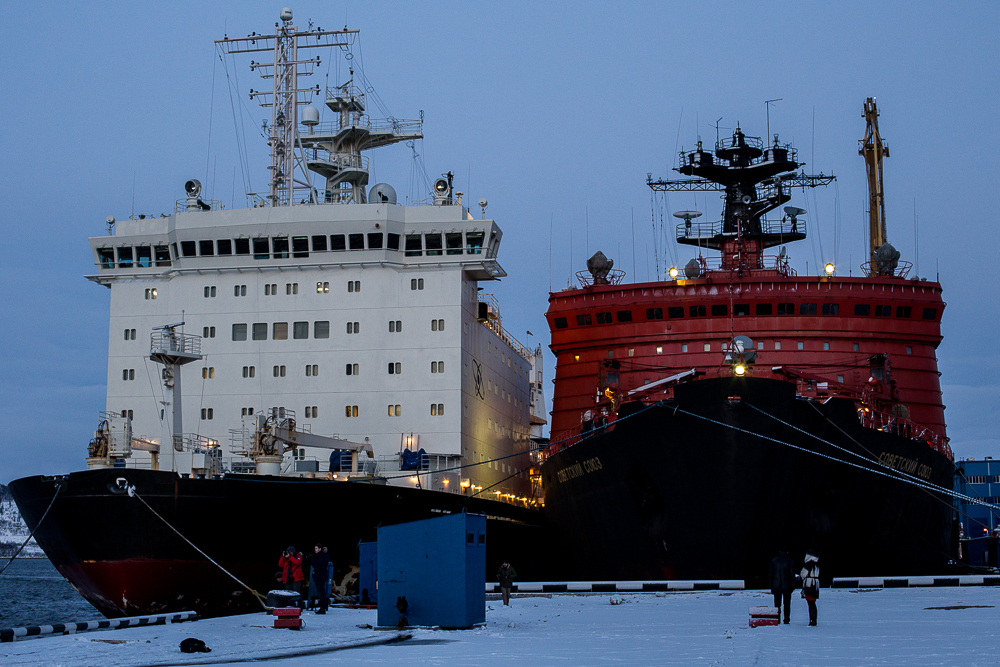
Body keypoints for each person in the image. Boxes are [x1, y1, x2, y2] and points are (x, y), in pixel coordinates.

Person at [768, 549, 795, 624]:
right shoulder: (790, 561)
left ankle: (777, 618)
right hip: (787, 586)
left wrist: (772, 585)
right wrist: (792, 586)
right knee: (787, 604)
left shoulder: (774, 561)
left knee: (777, 604)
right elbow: (792, 575)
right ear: (787, 552)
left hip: (776, 586)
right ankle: (786, 619)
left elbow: (770, 574)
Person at [800, 550, 820, 626]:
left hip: (809, 584)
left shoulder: (808, 565)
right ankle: (813, 620)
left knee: (810, 603)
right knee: (813, 603)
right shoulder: (816, 565)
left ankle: (812, 621)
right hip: (815, 585)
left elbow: (803, 574)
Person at [311, 543, 330, 614]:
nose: (315, 550)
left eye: (316, 548)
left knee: (321, 593)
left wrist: (314, 561)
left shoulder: (323, 556)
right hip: (318, 576)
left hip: (320, 576)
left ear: (320, 549)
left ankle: (323, 608)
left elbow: (321, 564)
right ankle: (322, 607)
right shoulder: (318, 556)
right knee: (320, 592)